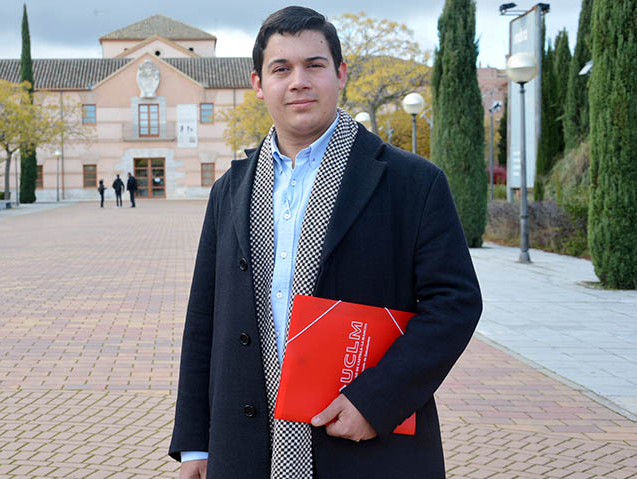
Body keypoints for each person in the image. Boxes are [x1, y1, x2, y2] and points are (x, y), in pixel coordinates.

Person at [169, 6, 482, 479]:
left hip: (364, 443)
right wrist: (195, 441)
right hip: (245, 448)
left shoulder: (412, 182)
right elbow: (204, 319)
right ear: (258, 84)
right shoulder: (230, 190)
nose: (299, 81)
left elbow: (455, 305)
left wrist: (377, 402)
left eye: (314, 65)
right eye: (281, 69)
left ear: (340, 74)